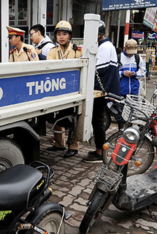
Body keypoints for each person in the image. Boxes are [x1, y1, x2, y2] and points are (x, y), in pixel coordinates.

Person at [83, 21, 121, 163]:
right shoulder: (105, 46)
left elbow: (99, 69)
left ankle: (100, 152)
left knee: (97, 121)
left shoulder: (105, 47)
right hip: (101, 90)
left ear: (98, 35)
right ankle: (99, 149)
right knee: (97, 120)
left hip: (101, 91)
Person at [46, 21, 83, 158]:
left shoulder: (77, 50)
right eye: (59, 34)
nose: (61, 37)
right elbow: (49, 68)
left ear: (70, 36)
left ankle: (73, 146)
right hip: (56, 89)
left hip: (73, 90)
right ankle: (58, 143)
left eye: (65, 34)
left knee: (74, 118)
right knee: (57, 116)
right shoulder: (52, 51)